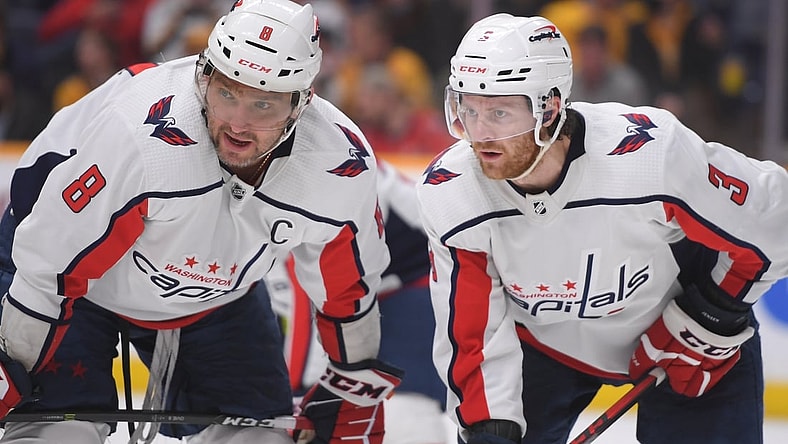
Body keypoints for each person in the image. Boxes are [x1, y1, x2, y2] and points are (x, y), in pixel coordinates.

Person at [0, 1, 401, 443]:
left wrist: (354, 387)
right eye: (227, 93)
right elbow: (49, 267)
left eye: (263, 104)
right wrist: (11, 363)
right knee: (54, 434)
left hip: (218, 298)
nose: (238, 124)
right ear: (203, 75)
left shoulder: (339, 163)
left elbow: (348, 290)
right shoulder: (140, 135)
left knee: (260, 439)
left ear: (301, 102)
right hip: (61, 280)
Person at [415, 13, 788, 444]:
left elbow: (774, 218)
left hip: (685, 339)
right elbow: (473, 334)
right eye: (468, 109)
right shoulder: (452, 191)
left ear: (551, 107)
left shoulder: (648, 155)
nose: (479, 134)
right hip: (544, 349)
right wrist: (489, 431)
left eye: (499, 112)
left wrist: (714, 313)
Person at [266, 158, 451, 444]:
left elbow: (310, 304)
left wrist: (300, 398)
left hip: (420, 275)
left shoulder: (294, 192)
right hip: (377, 275)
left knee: (402, 400)